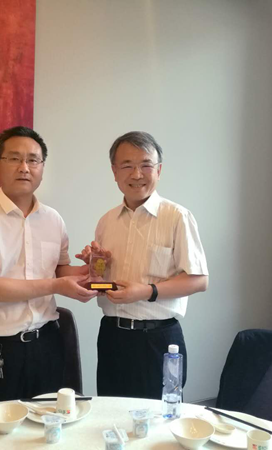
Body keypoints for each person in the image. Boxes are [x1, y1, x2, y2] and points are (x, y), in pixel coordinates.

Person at [0, 126, 96, 406]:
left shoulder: (53, 219)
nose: (24, 167)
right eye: (14, 158)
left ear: (42, 167)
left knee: (51, 426)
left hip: (48, 346)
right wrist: (57, 285)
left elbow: (59, 270)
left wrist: (88, 272)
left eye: (33, 160)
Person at [76, 131, 209, 399]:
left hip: (158, 339)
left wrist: (147, 291)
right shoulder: (106, 221)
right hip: (112, 336)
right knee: (111, 413)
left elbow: (199, 280)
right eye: (127, 165)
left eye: (146, 165)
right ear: (114, 171)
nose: (137, 174)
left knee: (160, 417)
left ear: (159, 170)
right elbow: (105, 281)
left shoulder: (177, 217)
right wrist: (96, 269)